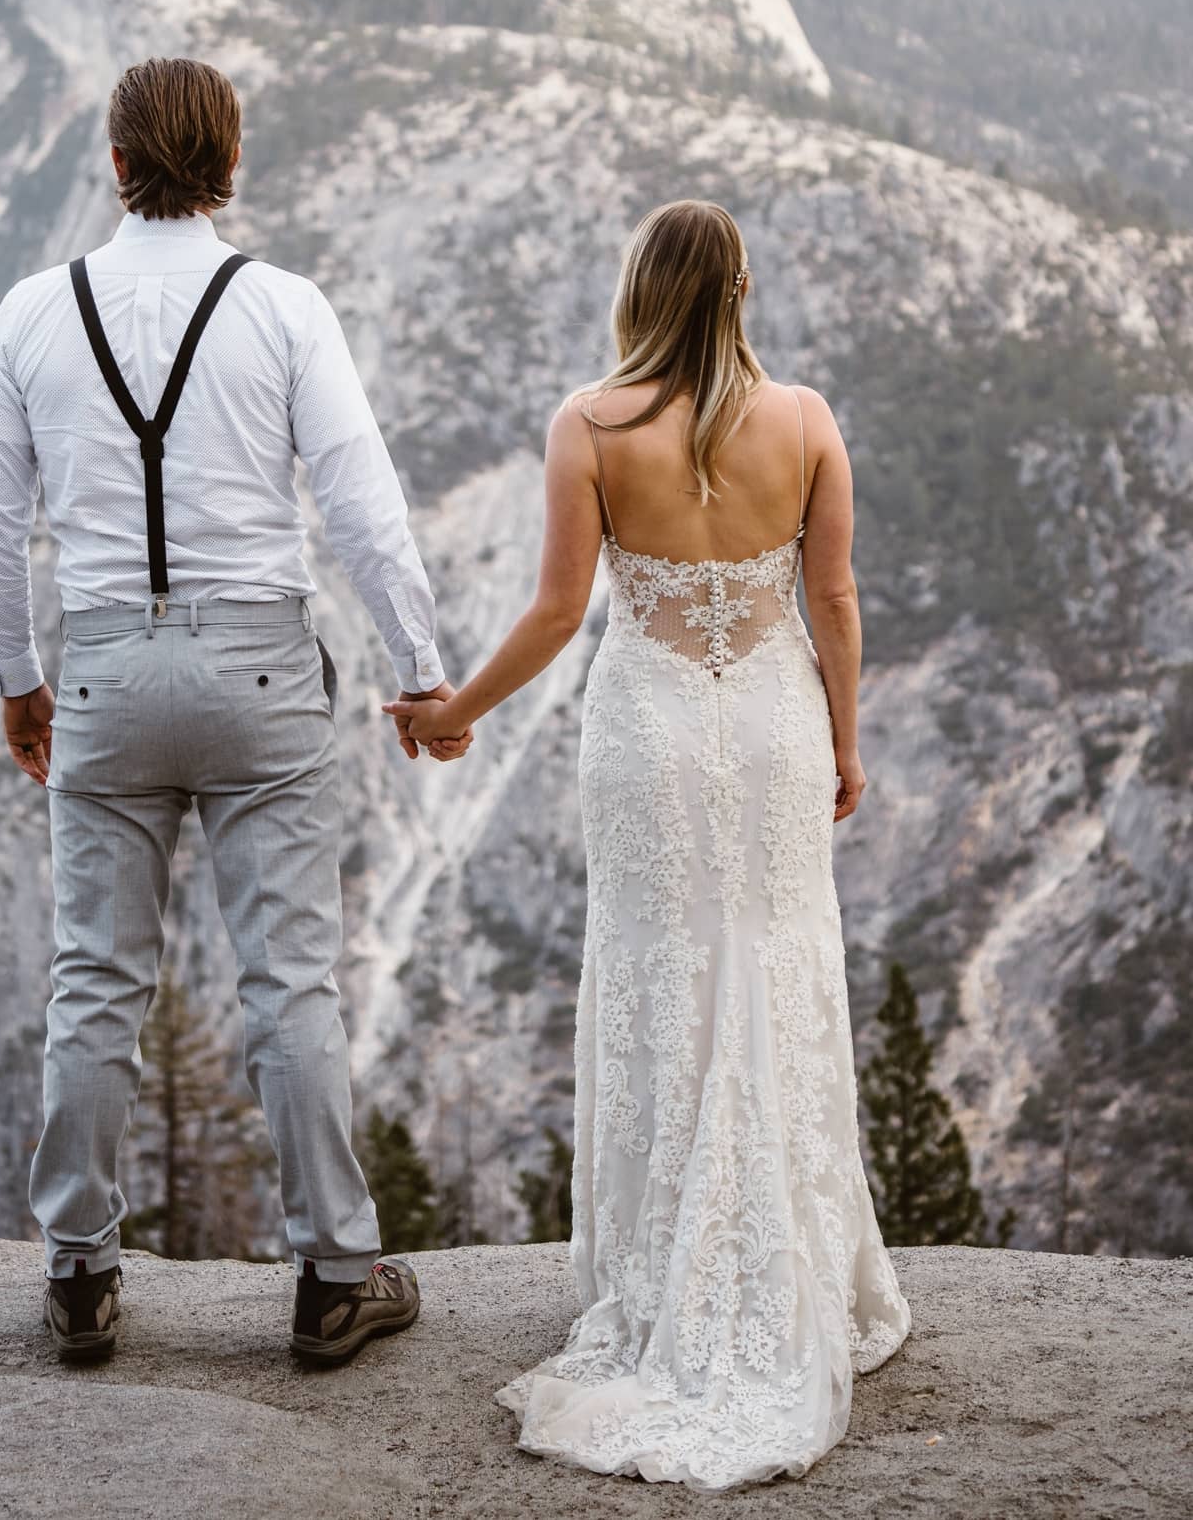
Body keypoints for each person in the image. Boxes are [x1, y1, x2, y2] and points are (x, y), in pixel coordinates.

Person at [388, 199, 910, 1489]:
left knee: (663, 974)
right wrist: (846, 744)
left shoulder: (591, 424)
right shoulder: (806, 422)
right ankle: (796, 1278)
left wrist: (455, 712)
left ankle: (656, 1272)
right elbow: (832, 599)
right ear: (737, 289)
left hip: (650, 736)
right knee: (777, 967)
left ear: (638, 291)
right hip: (778, 724)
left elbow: (562, 607)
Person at [0, 56, 468, 1365]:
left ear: (117, 166)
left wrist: (20, 680)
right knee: (290, 973)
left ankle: (79, 1270)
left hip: (107, 671)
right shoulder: (285, 307)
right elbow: (363, 500)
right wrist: (421, 667)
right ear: (229, 169)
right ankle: (333, 1274)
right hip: (258, 672)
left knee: (95, 975)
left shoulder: (29, 314)